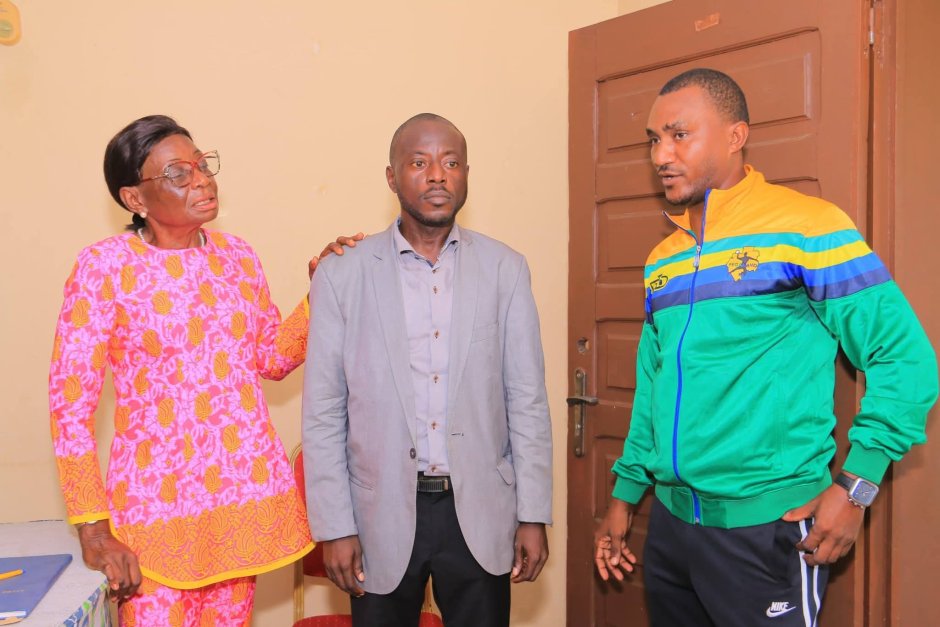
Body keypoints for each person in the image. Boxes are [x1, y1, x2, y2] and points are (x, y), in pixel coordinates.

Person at [593, 69, 938, 627]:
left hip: (767, 527)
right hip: (672, 529)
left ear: (735, 136)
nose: (661, 155)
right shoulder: (664, 260)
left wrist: (856, 488)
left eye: (679, 135)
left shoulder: (808, 228)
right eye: (654, 139)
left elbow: (904, 357)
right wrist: (625, 495)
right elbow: (653, 386)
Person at [49, 114, 361, 626]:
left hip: (238, 506)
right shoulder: (103, 268)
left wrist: (321, 293)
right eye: (179, 173)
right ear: (134, 198)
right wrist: (94, 528)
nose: (202, 180)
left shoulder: (237, 257)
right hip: (153, 516)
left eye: (202, 165)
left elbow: (271, 358)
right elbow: (70, 405)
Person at [302, 113, 553, 627]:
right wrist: (335, 526)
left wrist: (533, 513)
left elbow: (526, 399)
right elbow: (324, 411)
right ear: (392, 177)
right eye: (419, 162)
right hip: (378, 516)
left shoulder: (505, 269)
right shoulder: (342, 274)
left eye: (451, 163)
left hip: (480, 512)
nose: (437, 175)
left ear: (466, 175)